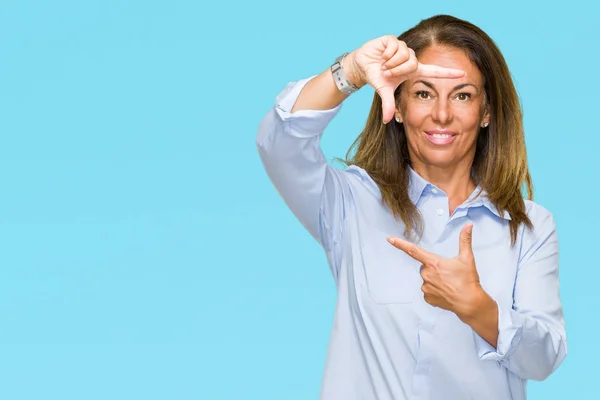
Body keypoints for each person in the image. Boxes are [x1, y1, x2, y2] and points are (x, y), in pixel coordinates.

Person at [255, 14, 566, 400]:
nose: (441, 114)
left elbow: (544, 359)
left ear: (486, 112)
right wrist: (350, 70)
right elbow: (279, 141)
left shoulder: (530, 226)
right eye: (423, 93)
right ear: (397, 106)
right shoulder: (351, 203)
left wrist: (479, 309)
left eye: (463, 95)